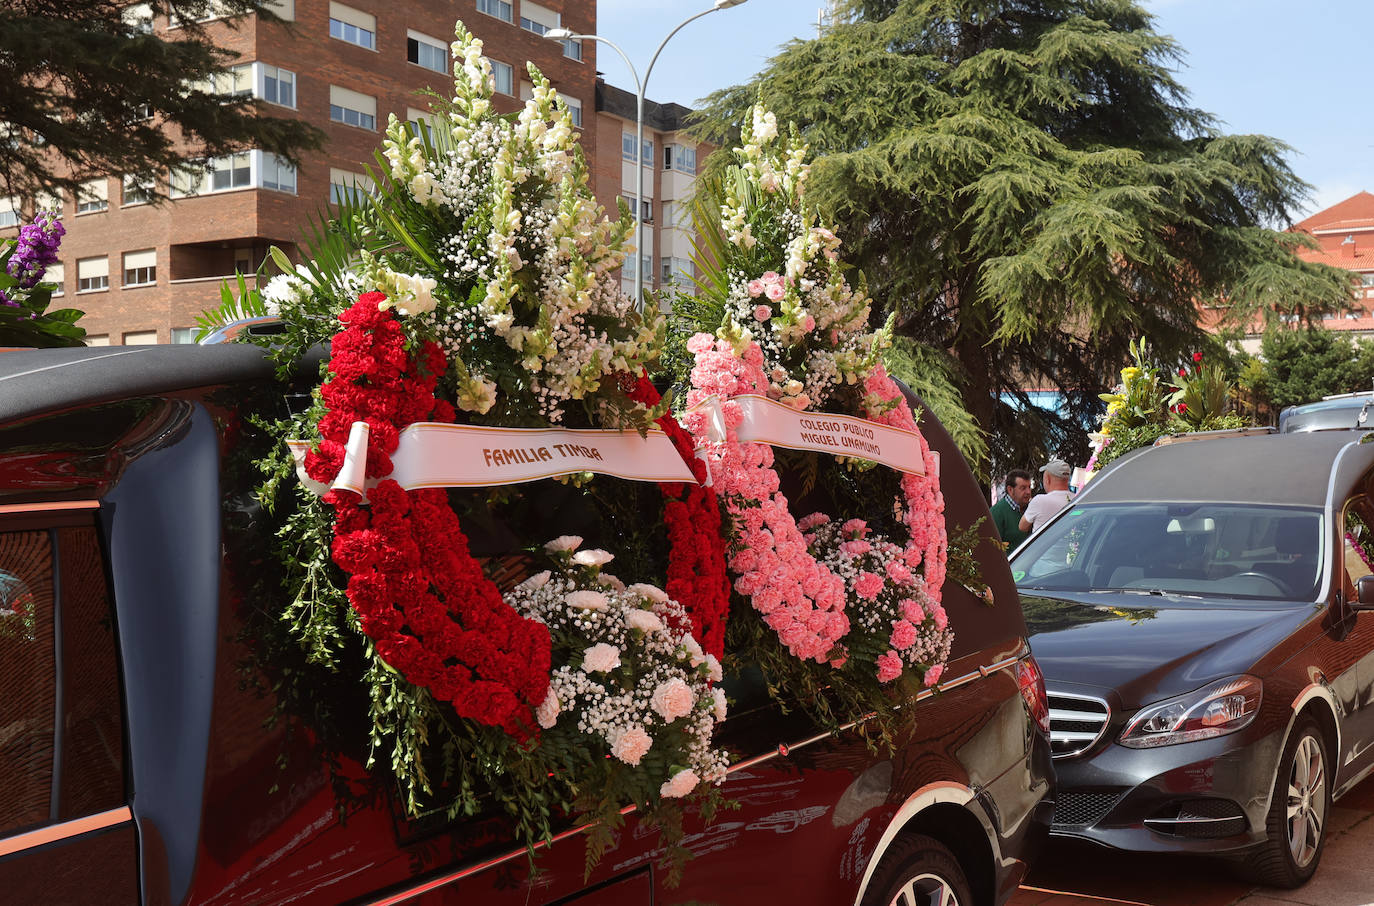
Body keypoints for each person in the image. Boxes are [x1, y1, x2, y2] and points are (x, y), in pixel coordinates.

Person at [1020, 459, 1075, 535]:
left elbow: (1022, 527)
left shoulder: (1039, 500)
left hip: (1044, 546)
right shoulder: (1077, 499)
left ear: (1047, 479)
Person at [991, 469, 1033, 553]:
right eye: (1023, 488)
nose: (1028, 492)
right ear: (1010, 490)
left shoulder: (1030, 509)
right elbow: (993, 548)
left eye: (1029, 487)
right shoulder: (997, 513)